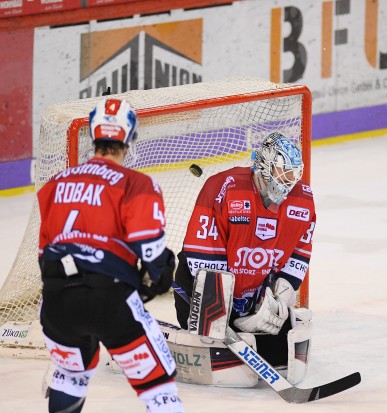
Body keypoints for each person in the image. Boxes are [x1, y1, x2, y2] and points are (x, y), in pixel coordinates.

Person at [37, 98, 184, 412]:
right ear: (129, 137)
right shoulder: (137, 184)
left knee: (70, 374)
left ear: (93, 134)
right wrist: (159, 274)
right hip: (109, 299)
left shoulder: (55, 184)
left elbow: (44, 252)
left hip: (57, 302)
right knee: (158, 386)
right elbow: (151, 251)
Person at [174, 131, 316, 371]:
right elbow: (203, 258)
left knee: (279, 355)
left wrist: (279, 298)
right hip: (202, 291)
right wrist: (227, 316)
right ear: (264, 167)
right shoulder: (223, 188)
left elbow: (299, 254)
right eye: (284, 173)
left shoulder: (303, 202)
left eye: (294, 174)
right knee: (213, 338)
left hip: (253, 300)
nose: (289, 182)